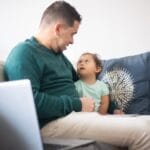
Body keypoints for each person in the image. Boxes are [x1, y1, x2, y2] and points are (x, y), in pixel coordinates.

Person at [4, 1, 150, 150]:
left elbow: (84, 85)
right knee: (146, 132)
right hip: (51, 123)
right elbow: (32, 103)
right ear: (58, 28)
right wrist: (76, 104)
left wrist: (113, 109)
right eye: (72, 34)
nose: (72, 41)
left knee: (147, 122)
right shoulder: (23, 54)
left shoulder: (59, 57)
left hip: (77, 117)